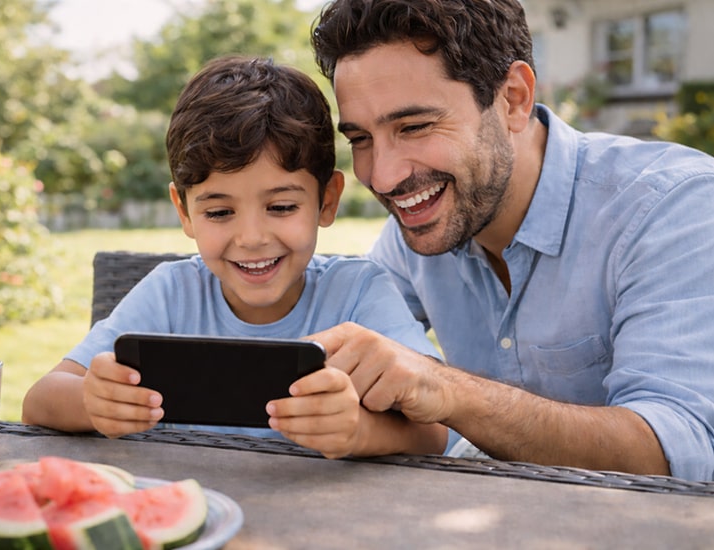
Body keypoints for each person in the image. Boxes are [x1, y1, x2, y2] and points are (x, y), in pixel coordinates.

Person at [303, 0, 714, 480]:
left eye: (414, 127)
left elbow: (684, 450)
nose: (384, 176)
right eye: (360, 139)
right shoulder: (422, 227)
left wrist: (448, 392)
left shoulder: (672, 206)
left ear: (514, 98)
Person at [21, 55, 446, 460]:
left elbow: (433, 433)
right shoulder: (170, 293)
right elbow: (40, 401)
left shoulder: (358, 293)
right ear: (184, 212)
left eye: (281, 207)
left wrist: (359, 430)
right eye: (220, 212)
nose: (251, 238)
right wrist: (92, 401)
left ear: (327, 201)